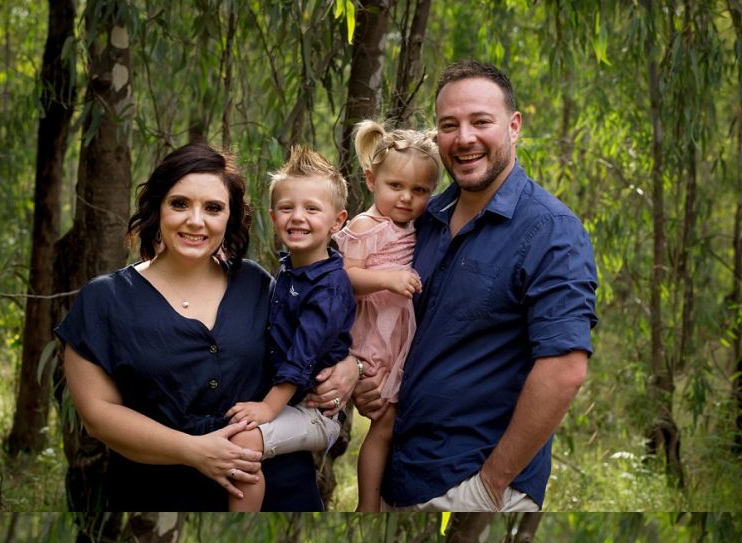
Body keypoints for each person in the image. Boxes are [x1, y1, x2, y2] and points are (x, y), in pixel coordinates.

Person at [57, 142, 357, 512]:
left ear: (230, 218)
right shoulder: (104, 300)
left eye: (213, 208)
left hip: (282, 493)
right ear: (157, 208)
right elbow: (98, 415)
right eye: (180, 203)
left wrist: (350, 366)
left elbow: (318, 336)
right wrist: (194, 451)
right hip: (161, 498)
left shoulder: (258, 284)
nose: (196, 221)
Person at [353, 60, 598, 511]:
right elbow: (392, 323)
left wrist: (488, 486)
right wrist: (367, 381)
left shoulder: (551, 230)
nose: (464, 138)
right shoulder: (422, 219)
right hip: (398, 478)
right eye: (450, 125)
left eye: (480, 122)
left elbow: (565, 369)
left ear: (514, 126)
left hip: (472, 487)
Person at [225, 146, 355, 511]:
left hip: (316, 412)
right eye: (287, 208)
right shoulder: (291, 269)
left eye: (312, 209)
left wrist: (267, 409)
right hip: (289, 403)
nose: (298, 218)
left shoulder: (328, 286)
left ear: (337, 221)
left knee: (243, 446)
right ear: (273, 215)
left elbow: (302, 356)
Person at [333, 121, 440, 511]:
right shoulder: (365, 226)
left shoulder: (415, 226)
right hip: (371, 335)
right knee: (383, 420)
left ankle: (380, 498)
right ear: (371, 179)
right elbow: (343, 280)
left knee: (391, 422)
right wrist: (388, 280)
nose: (407, 199)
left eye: (420, 191)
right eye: (396, 186)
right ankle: (366, 503)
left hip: (400, 340)